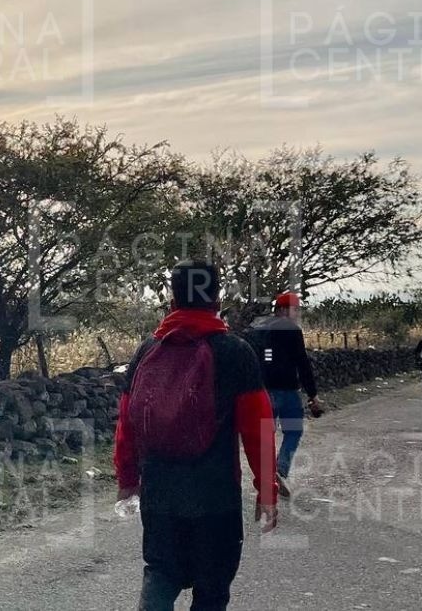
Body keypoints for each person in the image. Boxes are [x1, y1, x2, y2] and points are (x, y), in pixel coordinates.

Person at [115, 261, 279, 611]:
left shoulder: (147, 351)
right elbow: (258, 429)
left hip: (159, 494)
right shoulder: (235, 352)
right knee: (212, 590)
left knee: (161, 574)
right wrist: (267, 488)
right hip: (215, 498)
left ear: (173, 300)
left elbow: (127, 423)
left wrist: (127, 480)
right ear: (216, 299)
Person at [247, 291, 320, 497]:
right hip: (288, 391)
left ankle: (267, 475)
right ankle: (280, 468)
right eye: (294, 310)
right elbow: (302, 363)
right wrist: (313, 394)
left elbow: (258, 358)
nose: (296, 314)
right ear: (282, 310)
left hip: (265, 391)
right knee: (293, 431)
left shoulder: (260, 329)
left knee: (266, 433)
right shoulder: (292, 331)